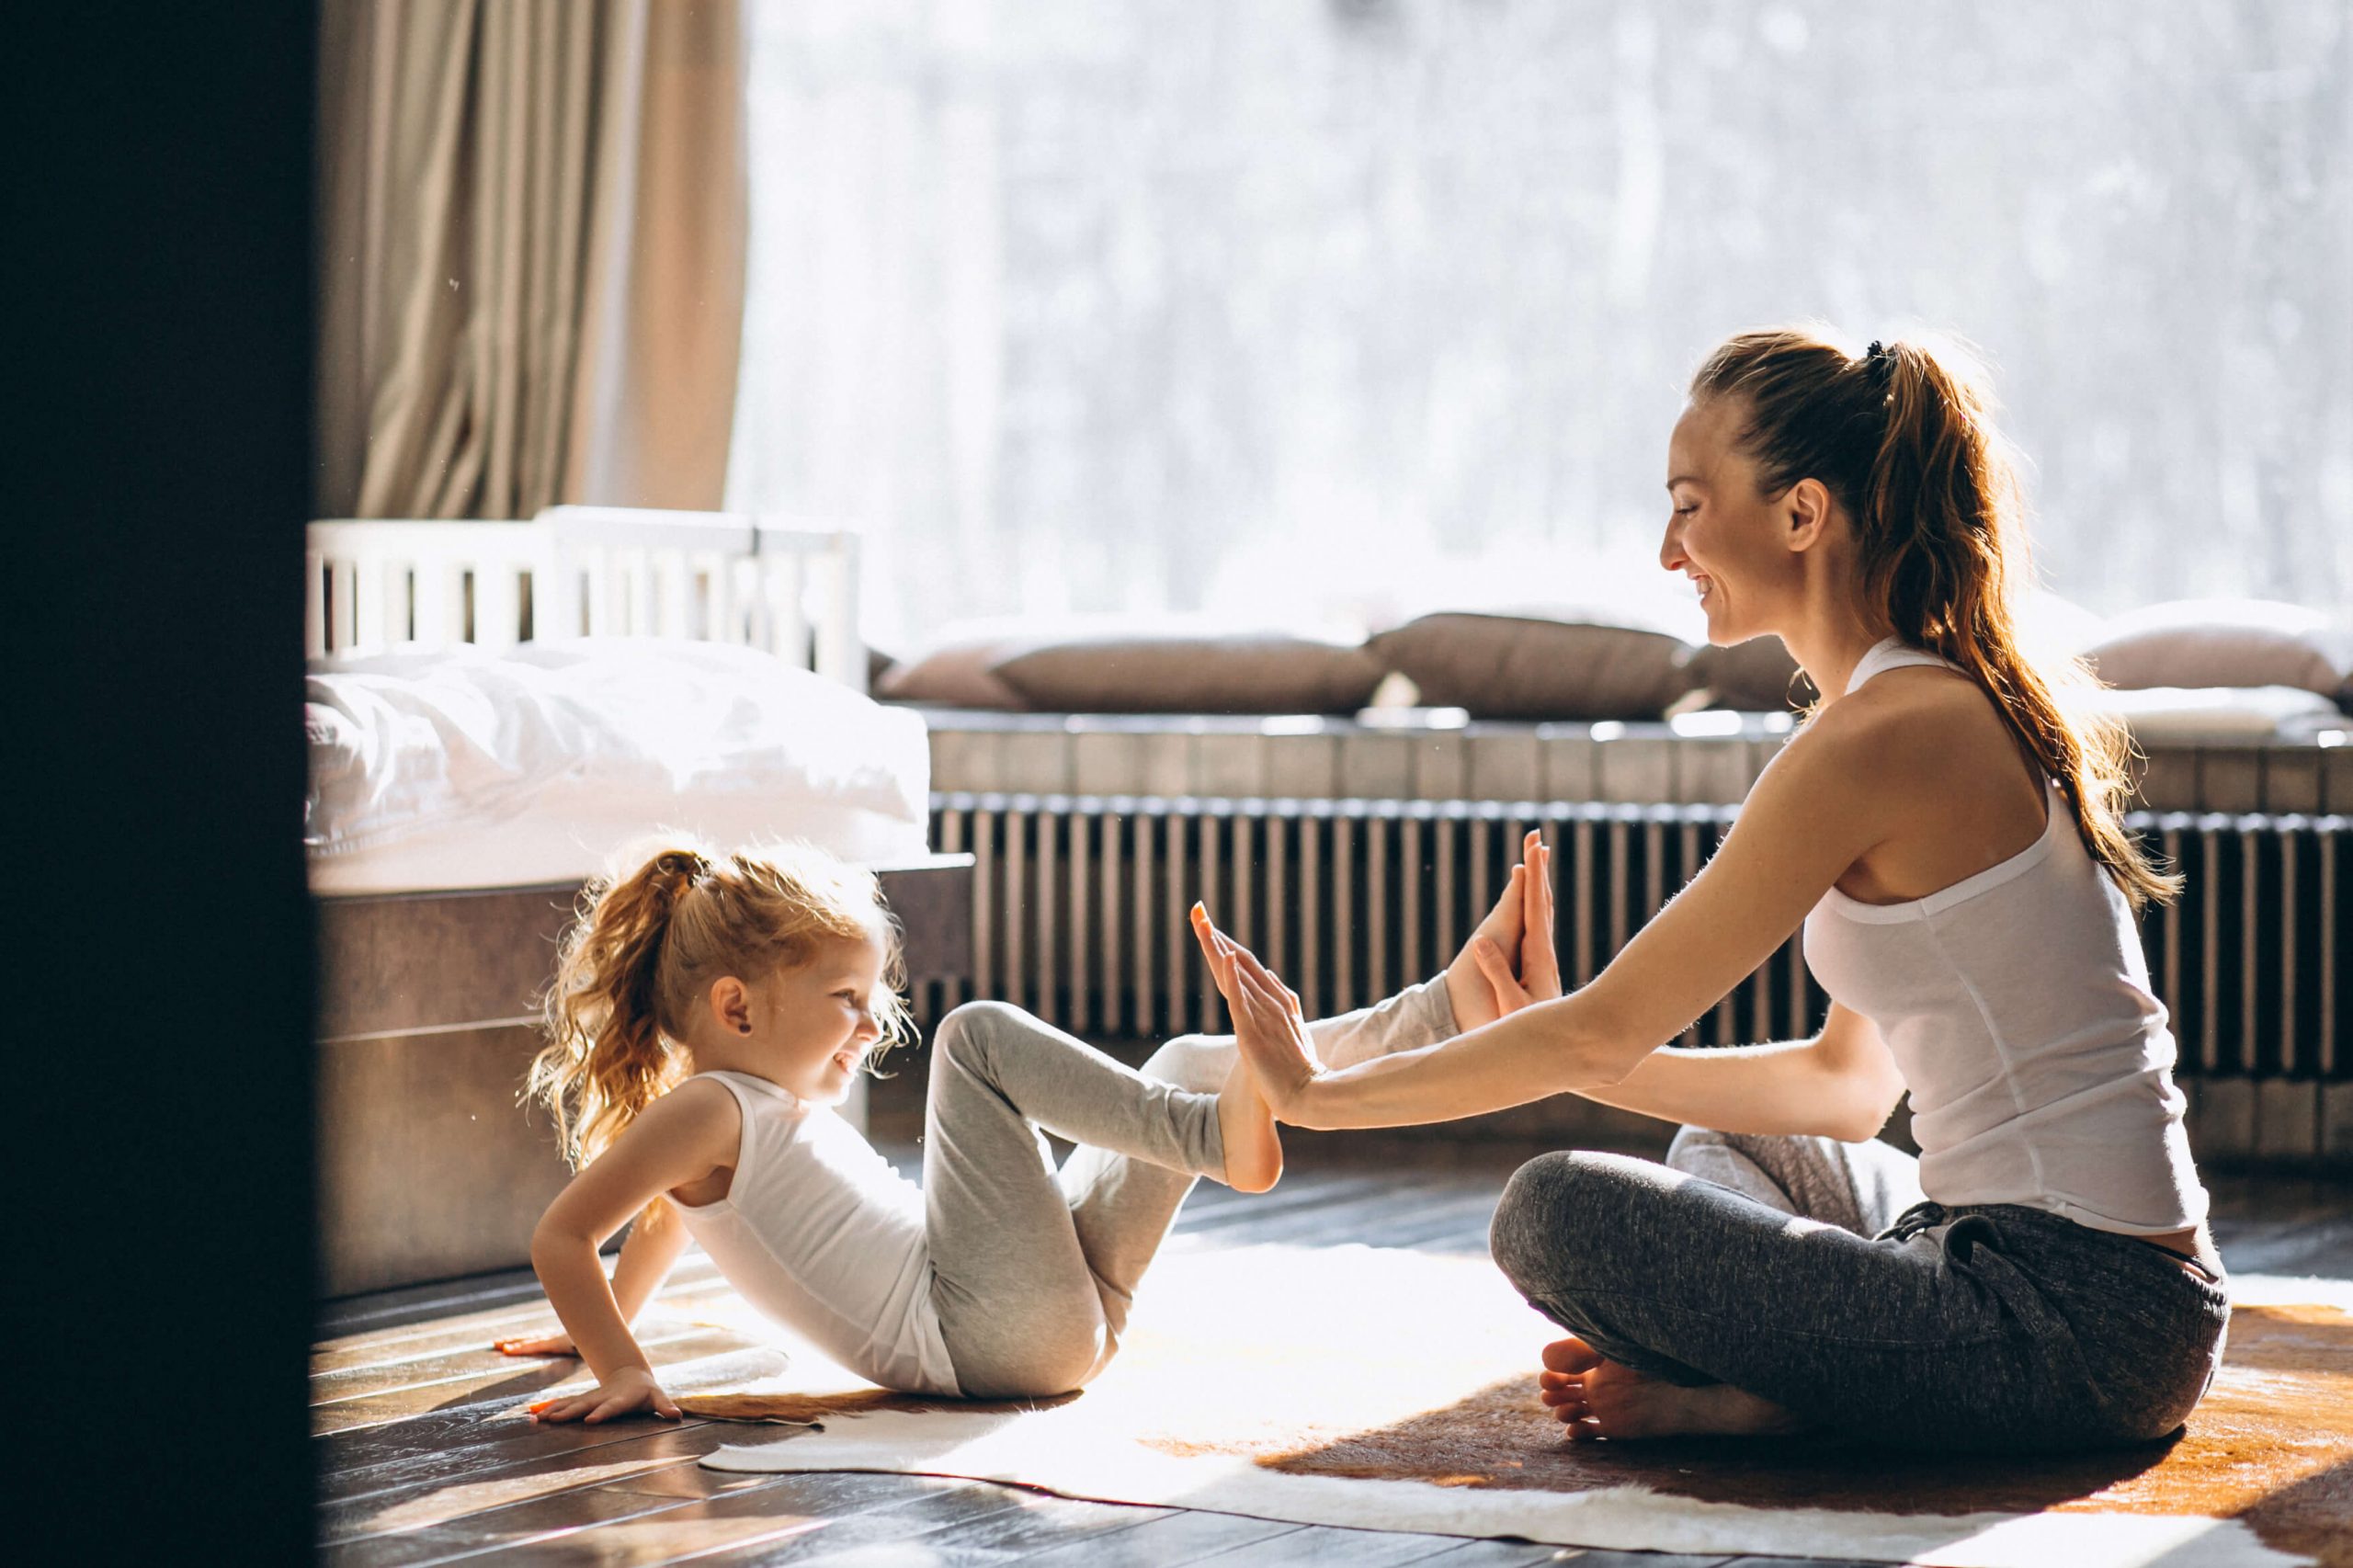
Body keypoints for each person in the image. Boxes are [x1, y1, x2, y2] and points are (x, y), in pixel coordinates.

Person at [1195, 327, 2227, 1454]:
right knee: (1734, 1146)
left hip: (2080, 1318)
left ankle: (1788, 1394)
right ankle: (1816, 1379)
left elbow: (1594, 1036)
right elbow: (1841, 1090)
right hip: (2031, 1264)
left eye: (1688, 505)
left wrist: (1314, 1093)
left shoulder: (1888, 733)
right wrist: (1551, 1032)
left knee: (1555, 1210)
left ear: (1800, 514)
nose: (1665, 550)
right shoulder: (1908, 710)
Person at [497, 834, 1545, 1417]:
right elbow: (566, 1234)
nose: (871, 1025)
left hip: (1039, 1322)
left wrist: (599, 1322)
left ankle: (1442, 1011)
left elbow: (656, 1228)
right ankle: (1218, 1134)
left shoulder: (723, 1120)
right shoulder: (707, 1108)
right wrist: (618, 1361)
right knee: (973, 1037)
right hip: (985, 1336)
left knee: (1180, 1061)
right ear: (737, 1008)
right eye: (846, 1000)